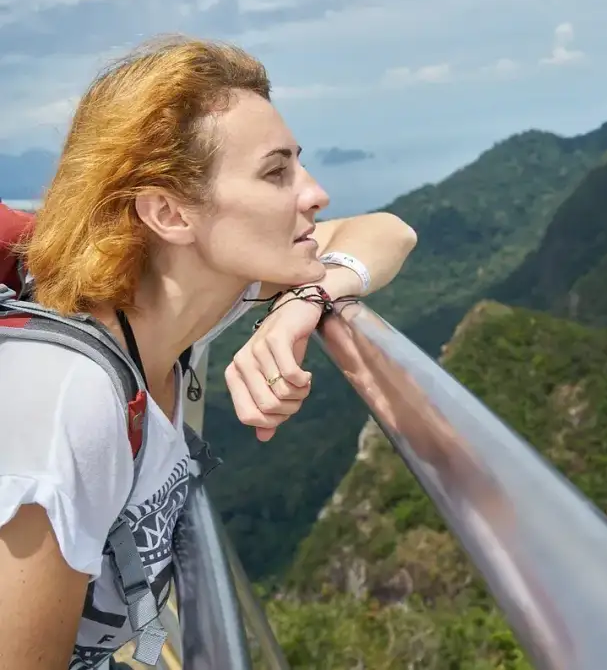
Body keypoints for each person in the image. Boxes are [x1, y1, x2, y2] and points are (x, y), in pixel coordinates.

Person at [0, 35, 417, 669]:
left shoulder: (183, 303)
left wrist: (305, 301)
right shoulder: (73, 399)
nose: (315, 193)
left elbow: (389, 232)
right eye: (276, 172)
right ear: (168, 212)